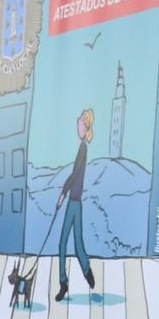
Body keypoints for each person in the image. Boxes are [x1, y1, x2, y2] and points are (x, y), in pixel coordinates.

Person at [54, 108, 97, 302]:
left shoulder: (83, 149)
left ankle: (66, 281)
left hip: (73, 202)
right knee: (75, 243)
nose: (77, 125)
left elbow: (74, 175)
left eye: (80, 122)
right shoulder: (82, 148)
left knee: (65, 243)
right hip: (75, 201)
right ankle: (85, 273)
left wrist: (63, 193)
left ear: (85, 126)